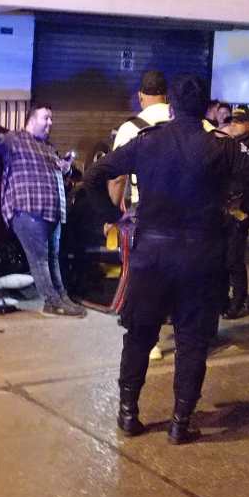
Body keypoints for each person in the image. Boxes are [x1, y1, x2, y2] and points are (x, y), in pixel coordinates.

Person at [84, 75, 249, 444]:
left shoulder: (147, 143)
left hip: (152, 256)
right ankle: (180, 421)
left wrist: (113, 217)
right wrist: (243, 210)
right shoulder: (222, 147)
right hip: (202, 257)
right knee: (192, 341)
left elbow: (95, 174)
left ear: (171, 107)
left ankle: (128, 412)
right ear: (207, 110)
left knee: (140, 335)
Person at [0, 105, 86, 318]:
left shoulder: (48, 148)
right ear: (31, 119)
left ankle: (62, 297)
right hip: (27, 210)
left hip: (52, 212)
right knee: (39, 260)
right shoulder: (16, 139)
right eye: (46, 118)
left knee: (53, 258)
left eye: (51, 119)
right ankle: (52, 301)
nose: (50, 123)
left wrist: (64, 166)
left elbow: (58, 170)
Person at [109, 70, 171, 361]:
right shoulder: (185, 124)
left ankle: (150, 340)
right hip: (184, 212)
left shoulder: (131, 128)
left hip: (144, 213)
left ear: (141, 96)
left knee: (142, 276)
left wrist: (112, 214)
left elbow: (117, 176)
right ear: (167, 94)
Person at [221, 106, 249, 319]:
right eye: (231, 120)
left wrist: (247, 209)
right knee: (224, 257)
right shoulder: (229, 145)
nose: (233, 124)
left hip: (240, 211)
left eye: (239, 121)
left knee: (234, 258)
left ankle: (238, 301)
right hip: (224, 209)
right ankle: (223, 299)